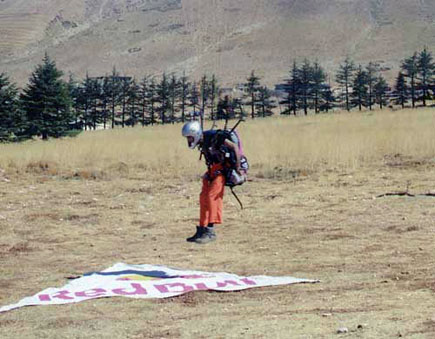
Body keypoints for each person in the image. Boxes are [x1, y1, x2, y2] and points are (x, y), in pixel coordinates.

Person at [182, 120, 243, 244]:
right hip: (213, 170)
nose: (188, 140)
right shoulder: (203, 140)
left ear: (196, 134)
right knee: (203, 197)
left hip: (222, 170)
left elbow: (234, 147)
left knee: (212, 197)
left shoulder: (215, 137)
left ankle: (210, 231)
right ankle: (202, 229)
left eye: (189, 137)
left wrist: (238, 169)